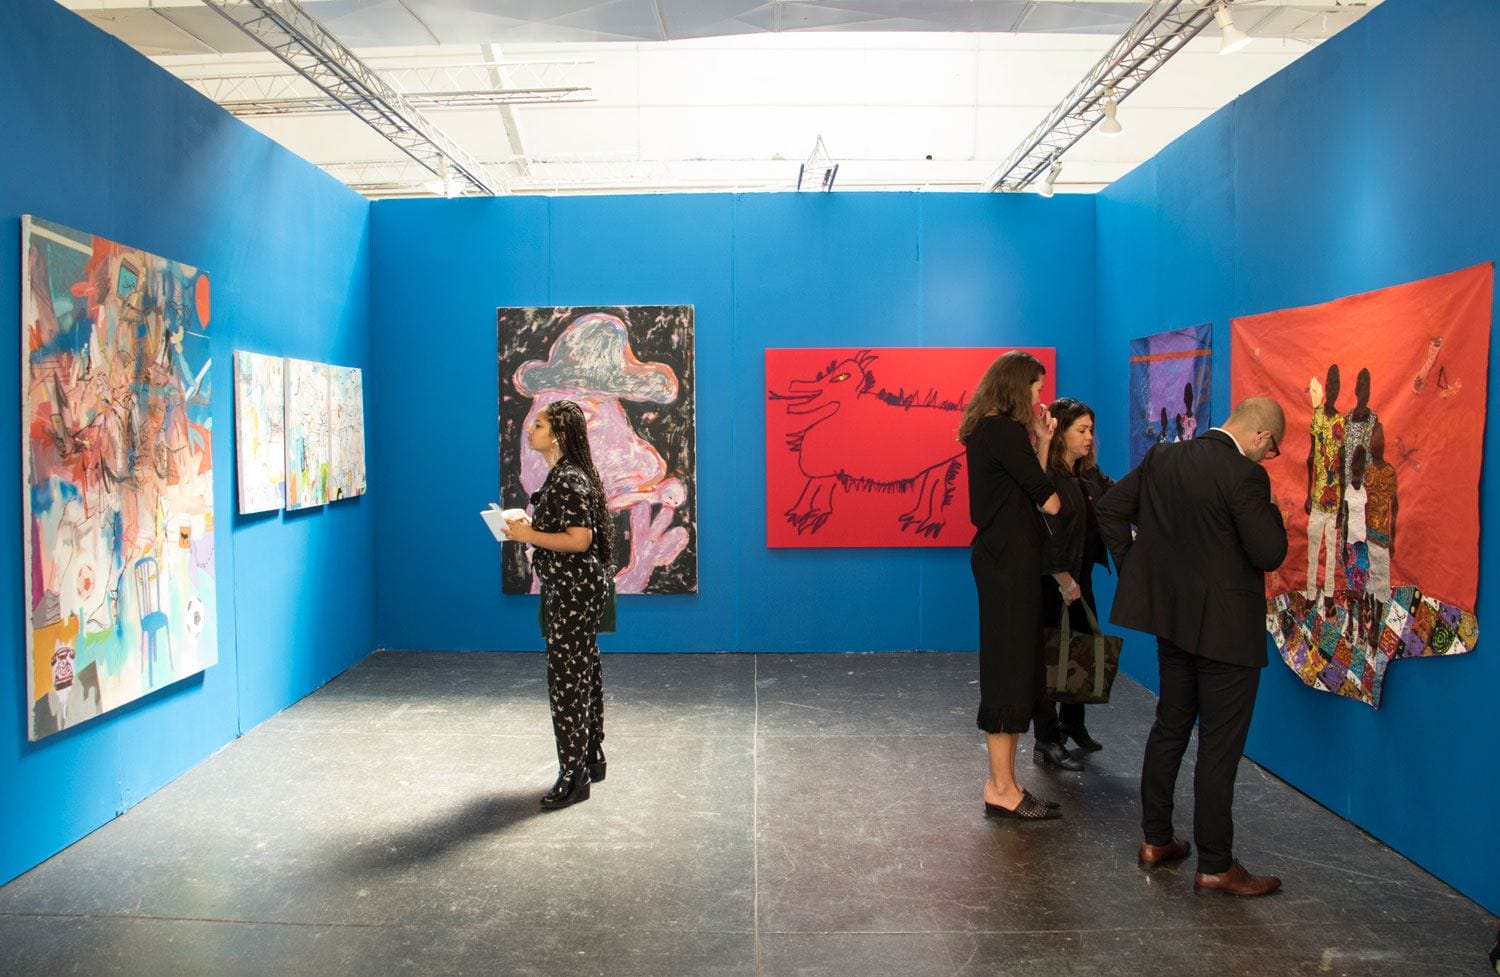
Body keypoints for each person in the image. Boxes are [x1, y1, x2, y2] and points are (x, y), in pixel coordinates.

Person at [1097, 397, 1288, 896]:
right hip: (1228, 633)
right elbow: (1269, 552)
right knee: (1218, 749)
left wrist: (1139, 567)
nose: (1268, 460)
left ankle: (1156, 841)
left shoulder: (1164, 457)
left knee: (1171, 727)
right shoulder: (1245, 476)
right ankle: (1216, 865)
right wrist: (1276, 513)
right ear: (1263, 436)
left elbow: (1110, 509)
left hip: (1174, 624)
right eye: (1272, 452)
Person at [959, 351, 1063, 821]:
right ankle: (1000, 786)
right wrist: (1042, 449)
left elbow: (1029, 491)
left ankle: (1007, 783)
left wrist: (1038, 442)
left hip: (1004, 562)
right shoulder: (1002, 431)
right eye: (1037, 388)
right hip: (1009, 567)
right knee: (1007, 670)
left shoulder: (991, 430)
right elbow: (1050, 501)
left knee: (1013, 666)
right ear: (1018, 387)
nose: (1041, 397)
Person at [506, 400, 614, 810]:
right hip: (578, 589)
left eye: (539, 425)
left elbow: (579, 539)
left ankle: (573, 776)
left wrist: (527, 536)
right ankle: (590, 756)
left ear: (558, 434)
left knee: (567, 681)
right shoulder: (571, 475)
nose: (531, 430)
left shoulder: (567, 480)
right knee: (585, 668)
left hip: (572, 591)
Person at [1033, 398, 1114, 772]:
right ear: (1060, 433)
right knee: (1052, 656)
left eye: (1091, 430)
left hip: (1082, 578)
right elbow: (1045, 536)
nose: (1088, 437)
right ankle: (1047, 739)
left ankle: (1073, 723)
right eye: (1080, 430)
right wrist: (1064, 580)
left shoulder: (1089, 476)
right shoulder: (1049, 478)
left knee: (1082, 650)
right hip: (1055, 582)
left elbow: (1120, 499)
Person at [1305, 366, 1345, 611]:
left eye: (1335, 385)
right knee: (1312, 549)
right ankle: (1310, 594)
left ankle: (1328, 594)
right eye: (1329, 384)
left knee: (1331, 549)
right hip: (1317, 497)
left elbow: (1341, 466)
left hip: (1335, 499)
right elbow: (1311, 457)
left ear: (1338, 389)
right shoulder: (1317, 416)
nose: (1332, 389)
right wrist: (1307, 493)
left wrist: (1342, 508)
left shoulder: (1341, 422)